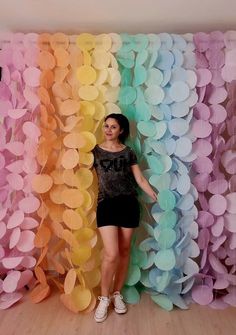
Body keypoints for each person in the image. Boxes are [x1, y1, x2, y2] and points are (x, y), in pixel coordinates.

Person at [92, 113, 157, 323]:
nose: (108, 130)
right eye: (106, 126)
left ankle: (116, 293)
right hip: (106, 205)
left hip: (128, 204)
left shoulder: (128, 152)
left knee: (125, 250)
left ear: (121, 130)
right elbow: (80, 172)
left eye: (113, 127)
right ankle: (104, 297)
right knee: (111, 253)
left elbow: (139, 178)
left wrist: (154, 194)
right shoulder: (94, 152)